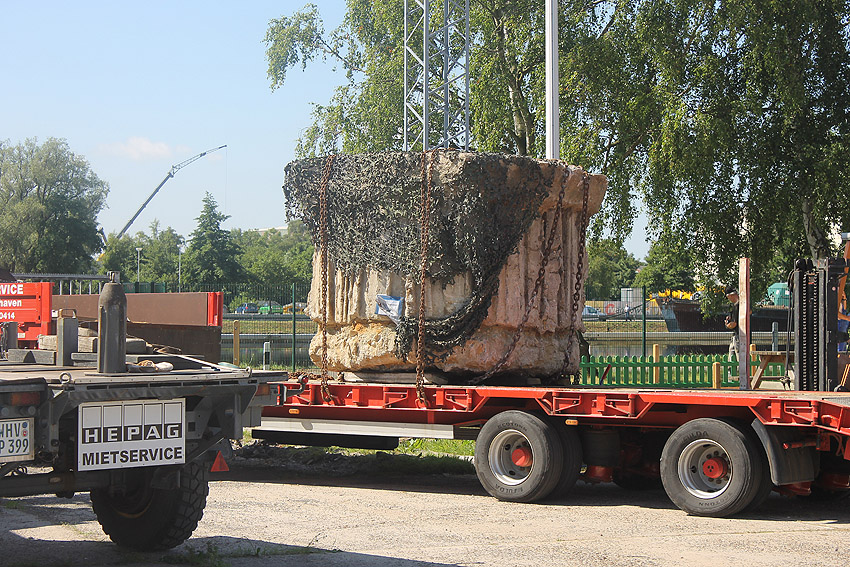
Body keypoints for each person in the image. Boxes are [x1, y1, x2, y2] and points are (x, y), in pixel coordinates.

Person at [724, 285, 739, 360]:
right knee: (731, 352)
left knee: (739, 356)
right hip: (737, 335)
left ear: (730, 295)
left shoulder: (737, 306)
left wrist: (727, 325)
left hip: (739, 336)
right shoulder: (743, 304)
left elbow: (734, 324)